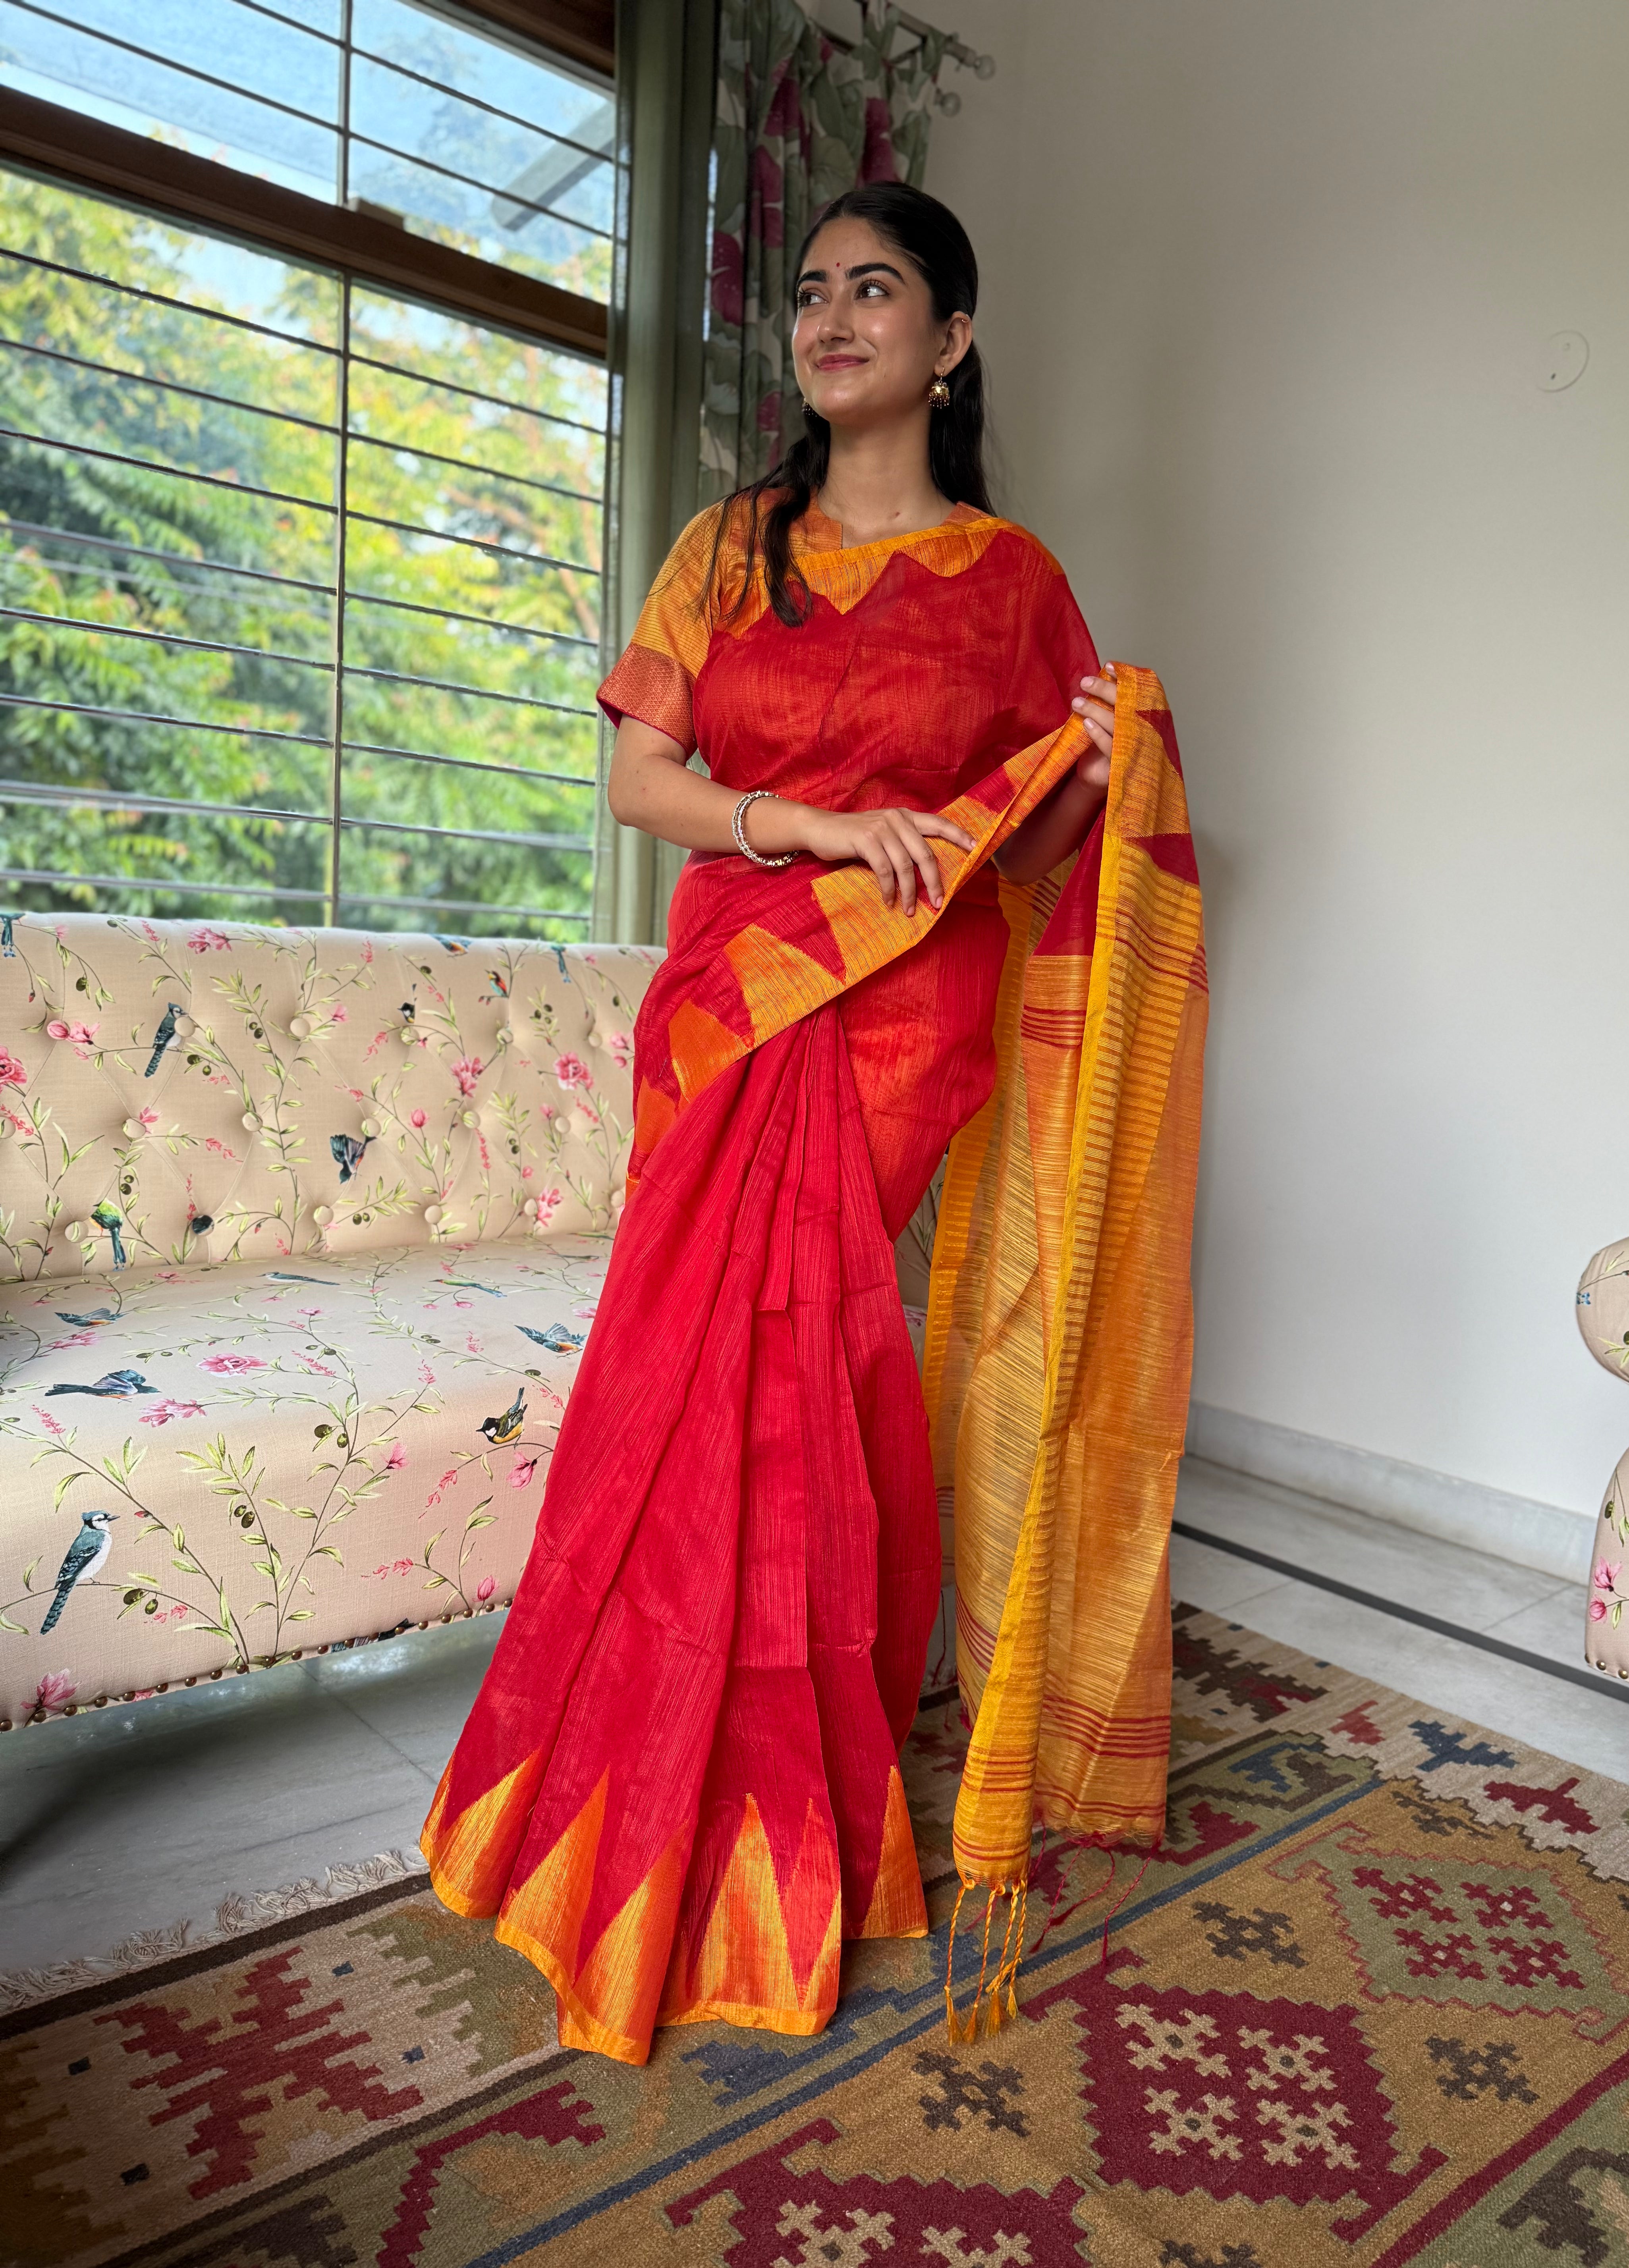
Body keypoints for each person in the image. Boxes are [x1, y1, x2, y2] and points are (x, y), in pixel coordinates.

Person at [421, 181, 1204, 2064]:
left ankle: (782, 1818)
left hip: (900, 1022)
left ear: (952, 341)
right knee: (689, 1386)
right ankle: (648, 1797)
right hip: (734, 996)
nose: (833, 318)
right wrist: (814, 825)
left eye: (878, 289)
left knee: (811, 1391)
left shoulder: (1014, 584)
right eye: (811, 292)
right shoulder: (726, 548)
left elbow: (1041, 842)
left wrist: (1113, 765)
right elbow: (643, 780)